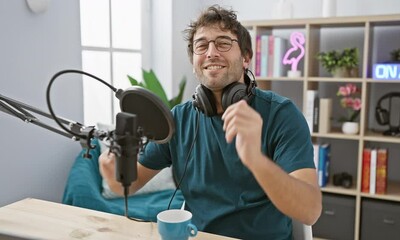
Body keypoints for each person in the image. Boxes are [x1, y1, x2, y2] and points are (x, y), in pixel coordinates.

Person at [99, 5, 321, 240]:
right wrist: (114, 175)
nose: (211, 52)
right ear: (195, 62)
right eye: (201, 46)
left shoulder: (281, 115)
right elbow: (128, 185)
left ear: (246, 57)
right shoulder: (178, 119)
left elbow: (310, 211)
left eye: (223, 43)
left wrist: (255, 160)